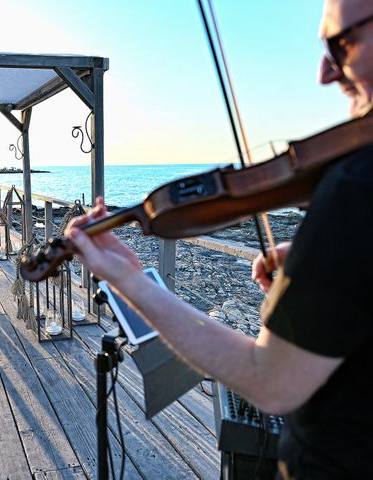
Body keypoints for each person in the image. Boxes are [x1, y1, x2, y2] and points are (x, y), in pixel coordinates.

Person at [66, 1, 373, 478]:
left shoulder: (358, 185)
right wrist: (328, 267)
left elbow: (270, 383)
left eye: (342, 43)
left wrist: (129, 280)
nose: (324, 74)